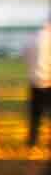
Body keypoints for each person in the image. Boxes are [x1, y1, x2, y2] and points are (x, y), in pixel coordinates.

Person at [29, 14, 51, 151]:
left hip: (35, 80)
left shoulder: (33, 38)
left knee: (35, 114)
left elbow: (25, 55)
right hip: (49, 80)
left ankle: (33, 143)